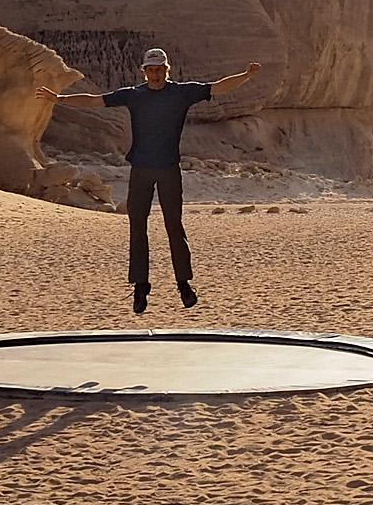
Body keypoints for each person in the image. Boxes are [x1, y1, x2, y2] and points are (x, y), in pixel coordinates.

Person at [40, 48, 261, 315]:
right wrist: (58, 98)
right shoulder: (135, 95)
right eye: (151, 69)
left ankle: (183, 284)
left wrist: (246, 76)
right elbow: (94, 101)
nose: (155, 74)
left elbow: (218, 87)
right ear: (144, 71)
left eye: (159, 69)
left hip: (168, 169)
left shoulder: (181, 93)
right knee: (137, 227)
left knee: (174, 226)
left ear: (167, 70)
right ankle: (141, 286)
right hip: (141, 169)